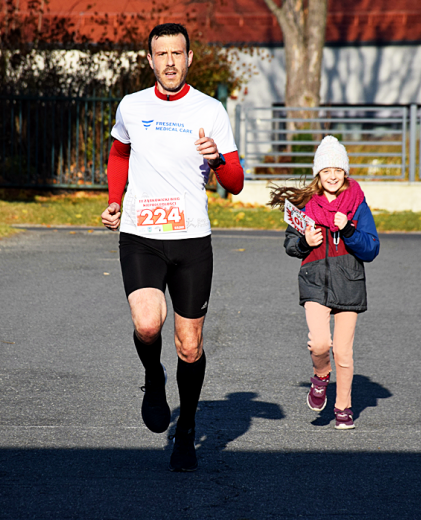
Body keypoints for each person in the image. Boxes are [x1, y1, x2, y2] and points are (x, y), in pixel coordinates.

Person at [100, 23, 244, 471]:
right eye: (160, 54)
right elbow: (119, 152)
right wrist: (113, 200)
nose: (169, 62)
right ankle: (152, 375)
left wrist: (217, 158)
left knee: (189, 344)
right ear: (149, 59)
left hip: (192, 242)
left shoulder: (211, 110)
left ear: (189, 58)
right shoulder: (132, 105)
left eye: (176, 54)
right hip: (142, 236)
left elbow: (236, 184)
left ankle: (187, 432)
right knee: (147, 325)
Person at [269, 135, 379, 429]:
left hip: (349, 282)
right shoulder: (305, 205)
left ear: (345, 173)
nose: (332, 176)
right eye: (326, 170)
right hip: (314, 280)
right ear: (318, 172)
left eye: (338, 170)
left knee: (343, 351)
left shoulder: (357, 204)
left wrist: (350, 231)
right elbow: (291, 245)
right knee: (320, 343)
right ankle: (320, 375)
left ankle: (344, 407)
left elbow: (372, 248)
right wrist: (305, 242)